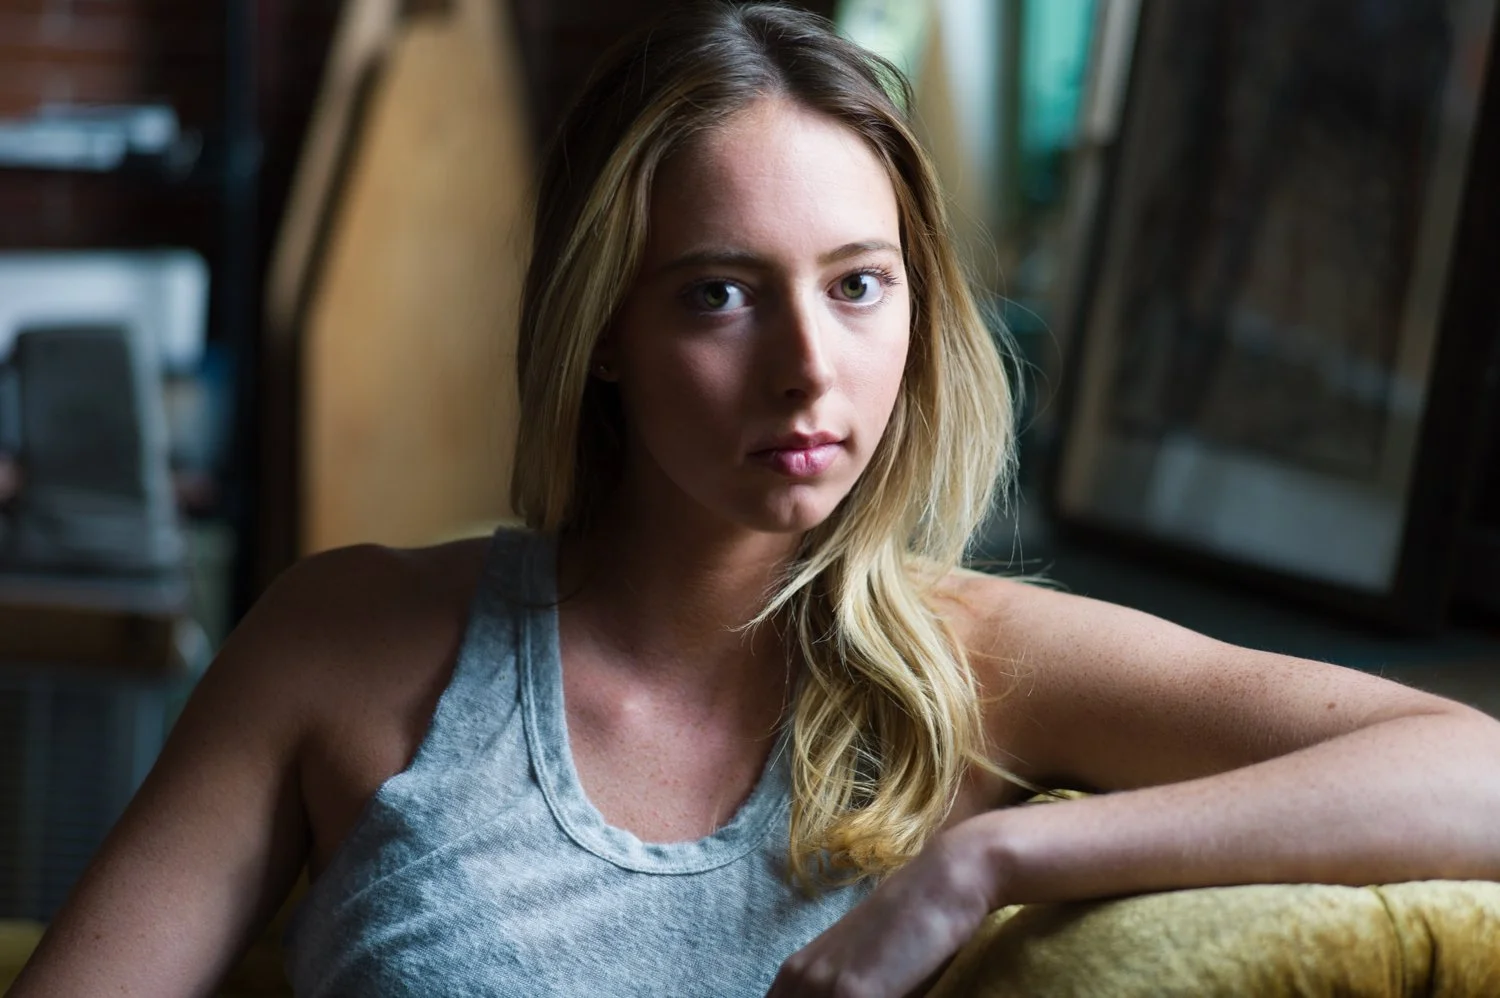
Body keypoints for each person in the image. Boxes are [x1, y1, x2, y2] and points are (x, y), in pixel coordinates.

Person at [13, 3, 1500, 996]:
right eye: (721, 294)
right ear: (600, 327)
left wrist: (995, 856)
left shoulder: (978, 664)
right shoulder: (351, 638)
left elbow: (1471, 773)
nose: (810, 368)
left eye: (860, 286)